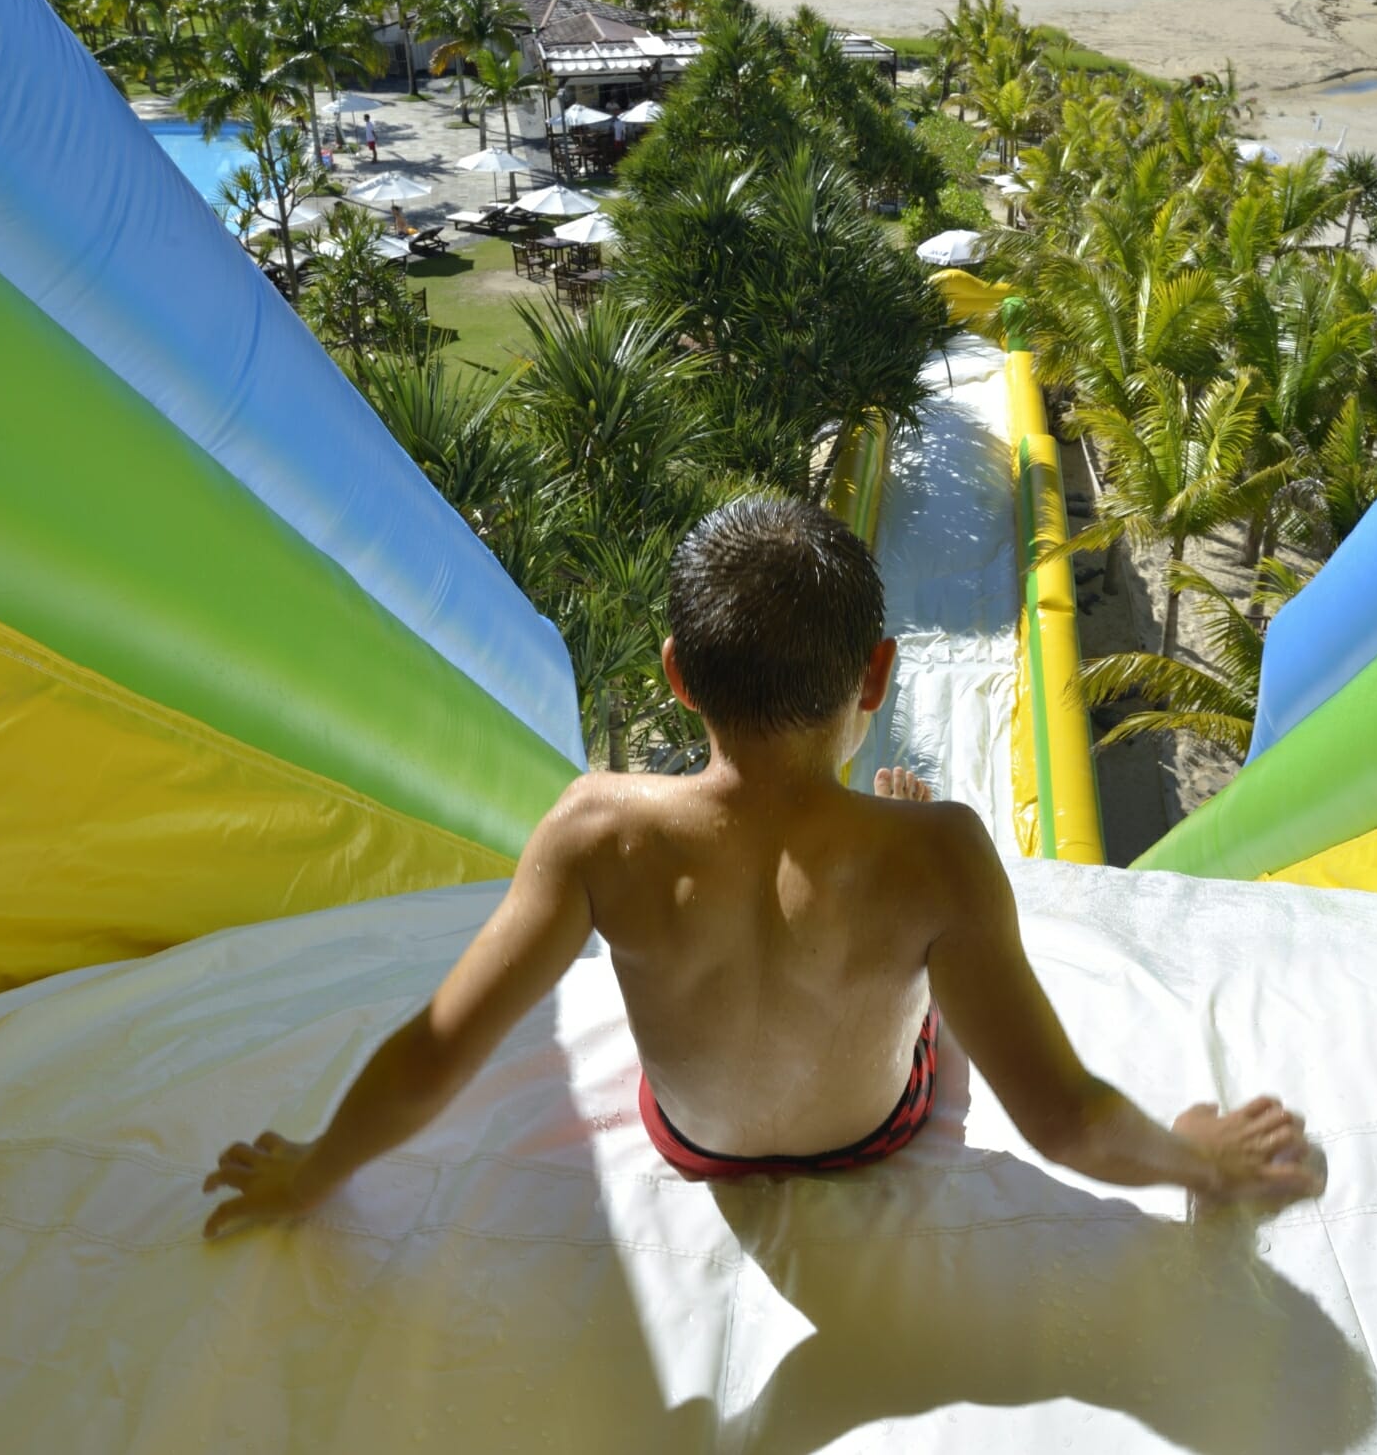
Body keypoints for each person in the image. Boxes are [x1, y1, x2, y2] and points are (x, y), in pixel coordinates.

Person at [202, 496, 1318, 1237]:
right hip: (873, 1131)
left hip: (695, 1143)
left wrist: (312, 1168)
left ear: (679, 675)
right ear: (877, 675)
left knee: (904, 895)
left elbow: (434, 1050)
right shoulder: (944, 854)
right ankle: (879, 857)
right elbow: (1066, 1120)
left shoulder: (595, 830)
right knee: (929, 933)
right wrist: (1201, 1159)